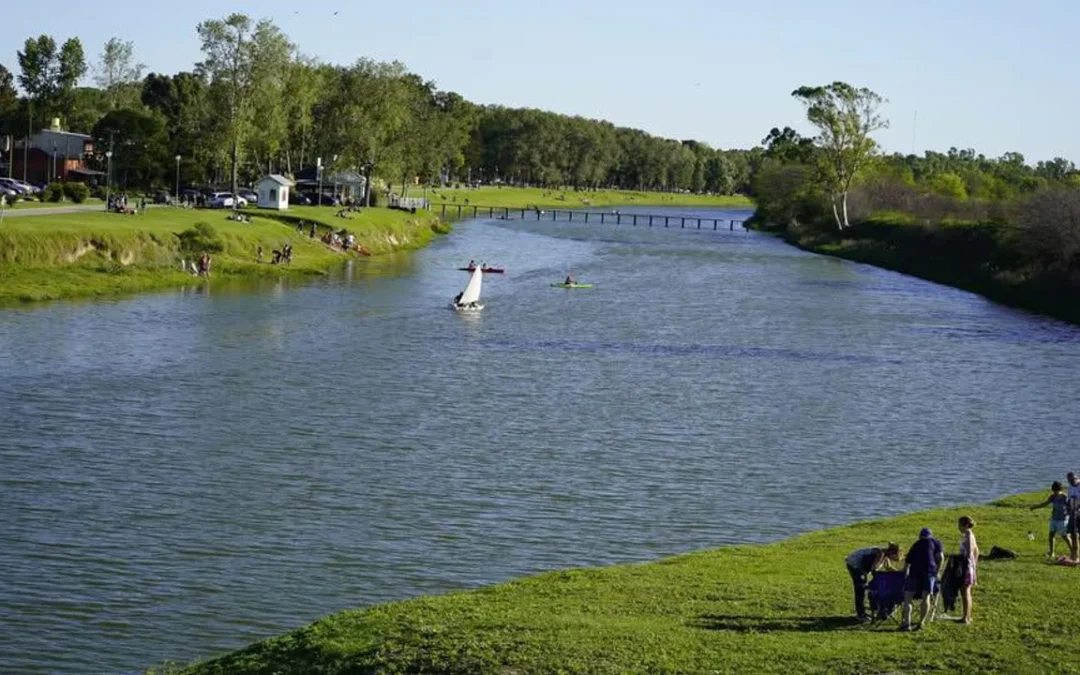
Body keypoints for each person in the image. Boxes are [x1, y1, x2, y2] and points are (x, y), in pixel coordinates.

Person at [900, 527, 943, 632]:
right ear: (931, 535)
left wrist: (904, 573)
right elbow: (941, 557)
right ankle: (921, 623)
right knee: (926, 597)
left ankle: (907, 624)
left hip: (915, 572)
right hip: (930, 572)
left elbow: (907, 562)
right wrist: (937, 572)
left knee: (908, 598)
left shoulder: (916, 544)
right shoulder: (936, 542)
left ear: (920, 536)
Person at [844, 543, 901, 621]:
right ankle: (861, 614)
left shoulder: (885, 557)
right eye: (894, 556)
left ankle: (871, 610)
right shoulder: (880, 554)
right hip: (855, 564)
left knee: (864, 586)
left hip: (861, 566)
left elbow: (888, 568)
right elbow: (873, 569)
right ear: (891, 552)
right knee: (861, 588)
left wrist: (899, 574)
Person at [1031, 481, 1071, 557]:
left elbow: (1072, 507)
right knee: (1051, 536)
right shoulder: (1052, 496)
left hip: (1062, 520)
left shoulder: (1065, 497)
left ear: (1061, 490)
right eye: (1054, 491)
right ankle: (1052, 552)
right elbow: (1045, 504)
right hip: (1054, 519)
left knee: (1065, 537)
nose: (1055, 492)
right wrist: (1035, 507)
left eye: (1056, 491)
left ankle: (1073, 552)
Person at [958, 516, 979, 625]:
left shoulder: (968, 535)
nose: (958, 527)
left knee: (965, 591)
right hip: (969, 565)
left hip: (966, 565)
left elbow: (970, 551)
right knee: (967, 592)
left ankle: (965, 618)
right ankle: (967, 616)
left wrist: (965, 562)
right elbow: (977, 552)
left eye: (960, 525)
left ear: (965, 525)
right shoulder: (970, 535)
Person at [1068, 472, 1080, 562]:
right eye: (1069, 481)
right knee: (1073, 534)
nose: (1071, 482)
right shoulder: (1070, 487)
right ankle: (1074, 555)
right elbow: (1070, 500)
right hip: (1073, 513)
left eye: (1072, 480)